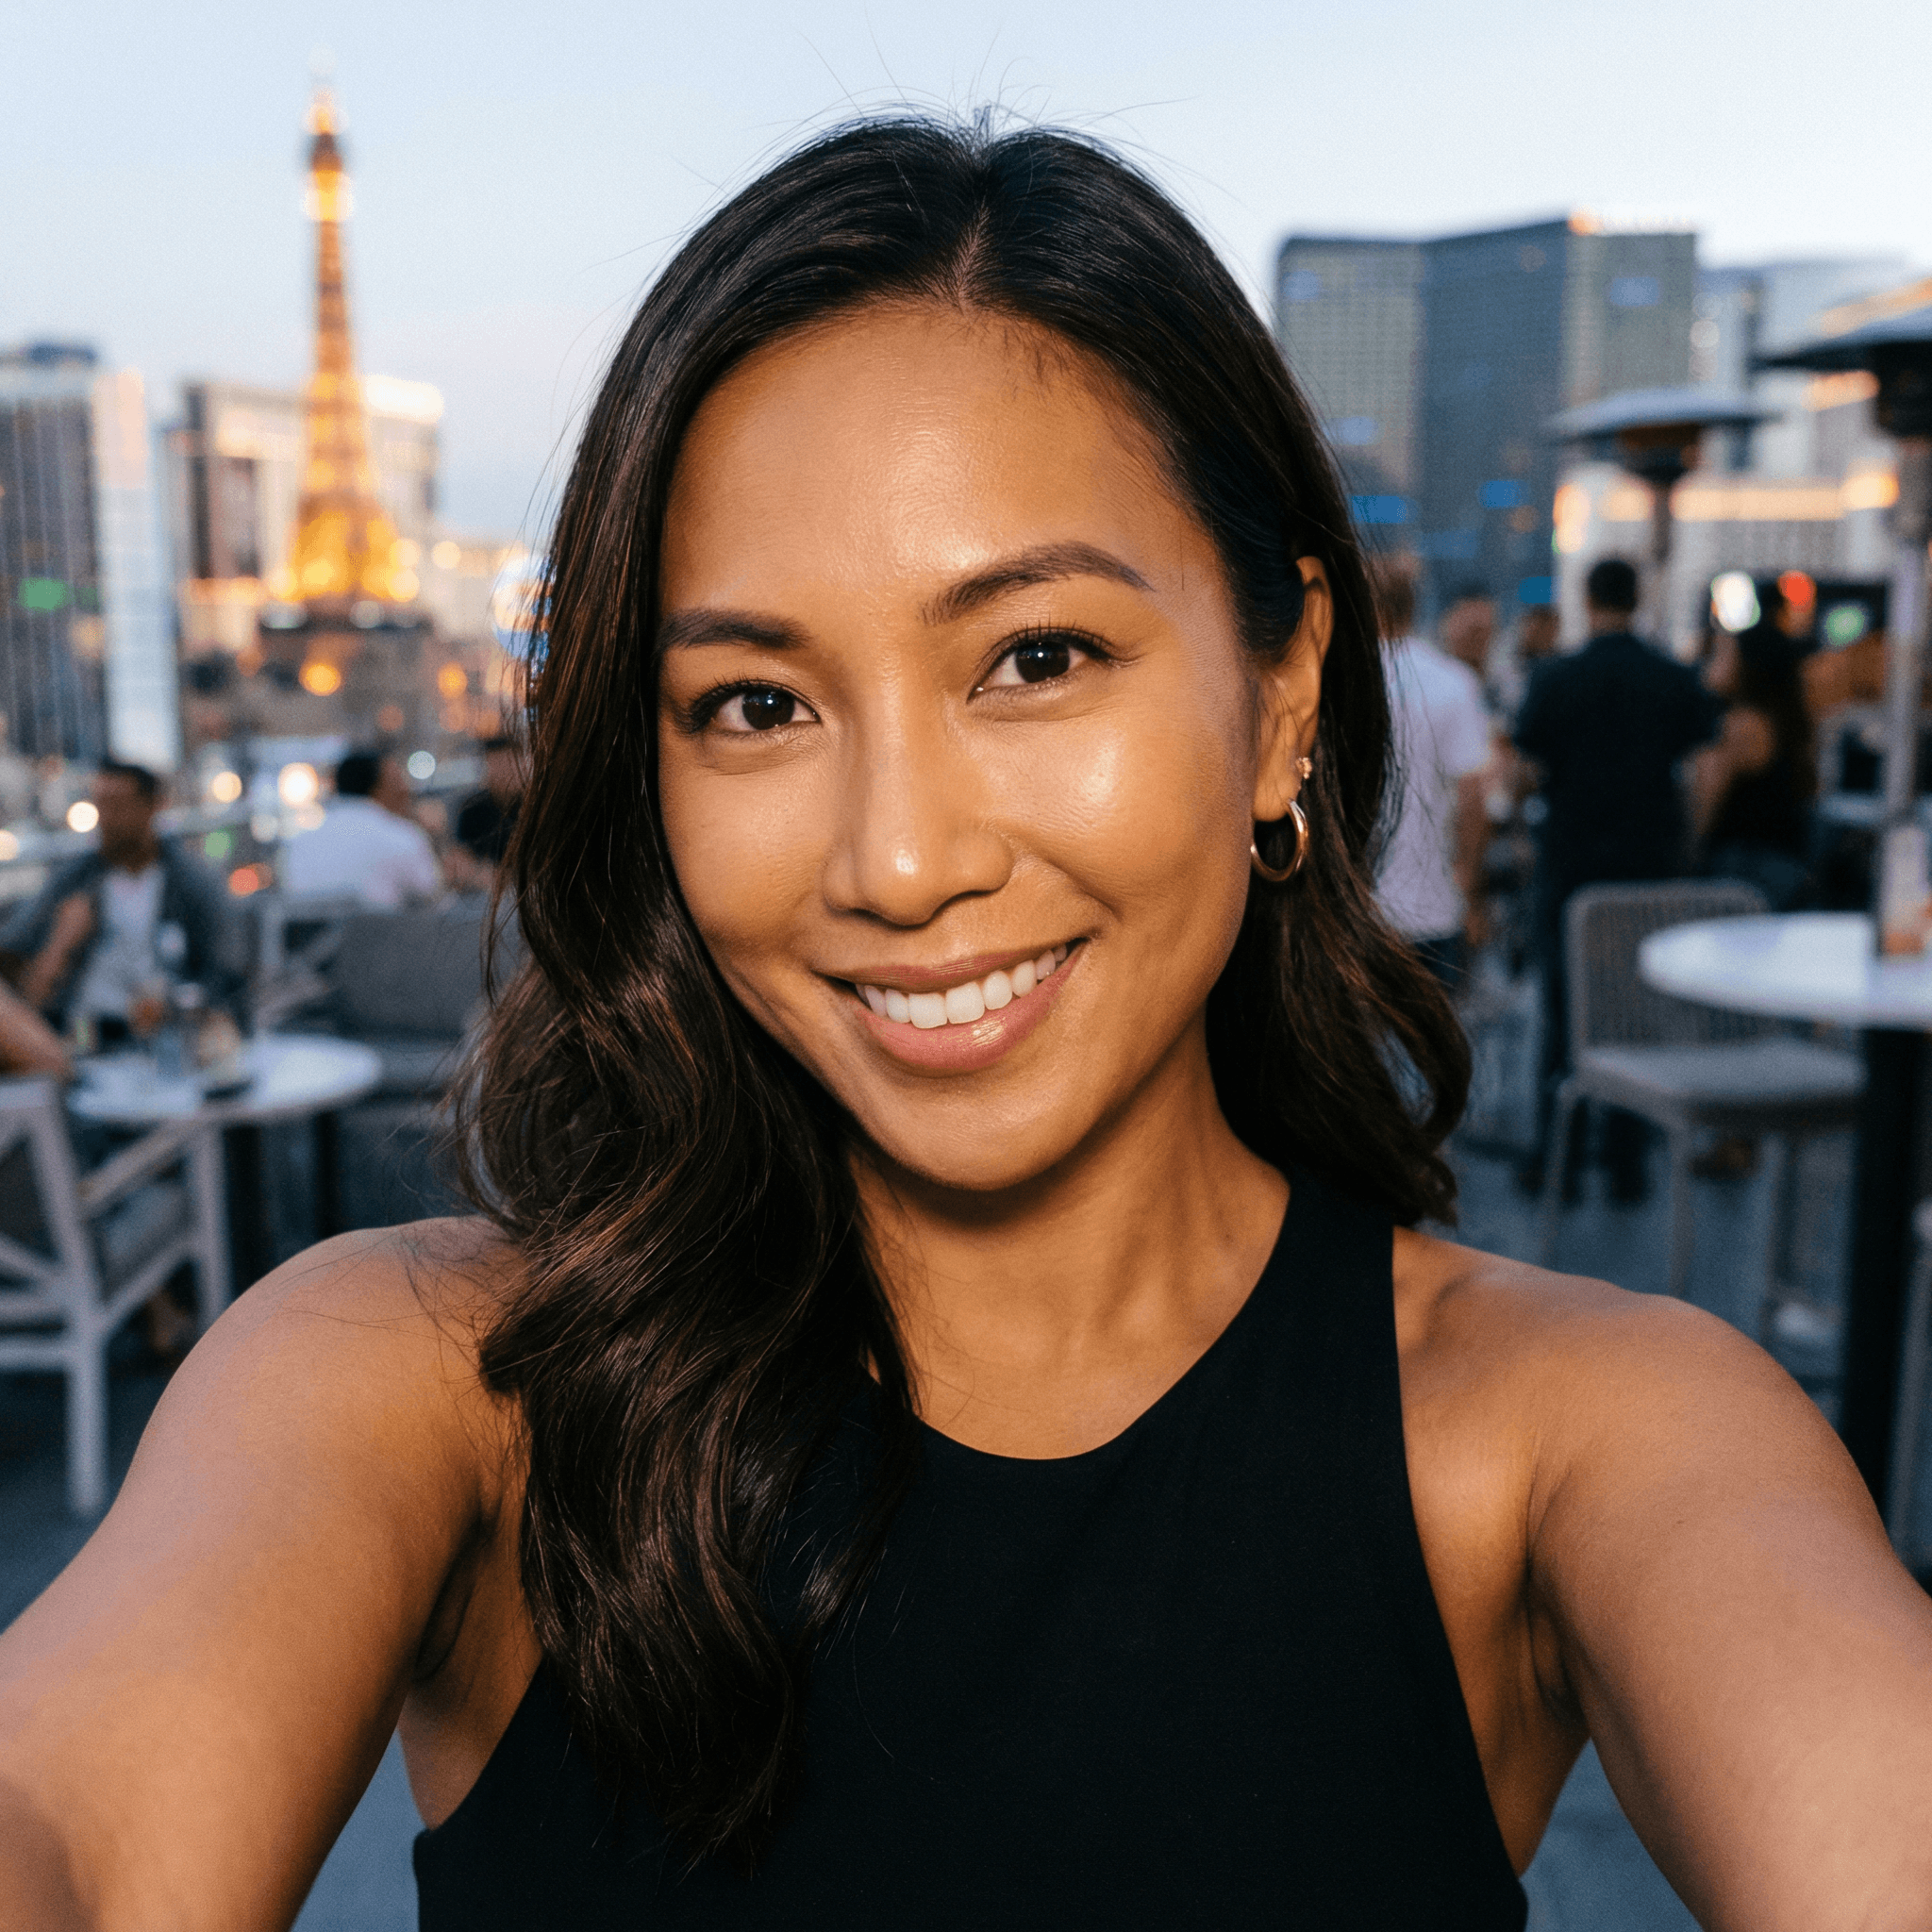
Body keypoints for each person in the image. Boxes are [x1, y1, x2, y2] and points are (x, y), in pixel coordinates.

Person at [3, 121, 1929, 1932]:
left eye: (1035, 658)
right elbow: (72, 1836)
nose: (902, 860)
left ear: (1278, 701)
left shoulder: (1582, 1435)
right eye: (756, 702)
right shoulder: (418, 1389)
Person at [1513, 558, 1722, 1201]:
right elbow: (1707, 765)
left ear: (1587, 598)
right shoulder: (1671, 678)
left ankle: (1561, 1162)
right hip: (1647, 867)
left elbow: (1524, 767)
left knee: (1563, 1012)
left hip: (1573, 865)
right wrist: (1690, 845)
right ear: (1638, 598)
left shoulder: (1557, 678)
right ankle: (1629, 1167)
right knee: (1638, 1013)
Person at [0, 759, 241, 1042]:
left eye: (117, 805)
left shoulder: (190, 883)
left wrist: (174, 1002)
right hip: (82, 1034)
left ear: (152, 807)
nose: (106, 817)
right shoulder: (74, 881)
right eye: (100, 804)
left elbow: (225, 971)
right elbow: (13, 947)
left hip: (167, 1037)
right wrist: (60, 942)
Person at [1374, 554, 1492, 989]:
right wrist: (1469, 879)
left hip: (1351, 911)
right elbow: (1474, 795)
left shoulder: (1331, 682)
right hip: (1432, 902)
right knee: (1433, 1045)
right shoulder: (1451, 682)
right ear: (1412, 608)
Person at [1691, 624, 1816, 912]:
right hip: (1785, 864)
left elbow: (1704, 807)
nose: (1711, 662)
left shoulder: (1743, 724)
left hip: (1744, 871)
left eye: (1723, 654)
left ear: (1747, 665)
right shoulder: (1787, 719)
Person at [279, 748, 442, 908]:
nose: (405, 790)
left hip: (313, 935)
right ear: (379, 787)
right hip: (386, 933)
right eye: (398, 780)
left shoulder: (299, 844)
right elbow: (432, 897)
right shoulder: (401, 837)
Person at [448, 737, 525, 891]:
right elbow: (460, 860)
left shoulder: (534, 806)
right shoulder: (473, 808)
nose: (505, 772)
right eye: (497, 764)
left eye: (510, 764)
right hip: (485, 894)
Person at [1438, 577, 1497, 682]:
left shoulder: (1501, 685)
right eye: (1473, 631)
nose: (1478, 640)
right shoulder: (1433, 680)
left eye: (1484, 631)